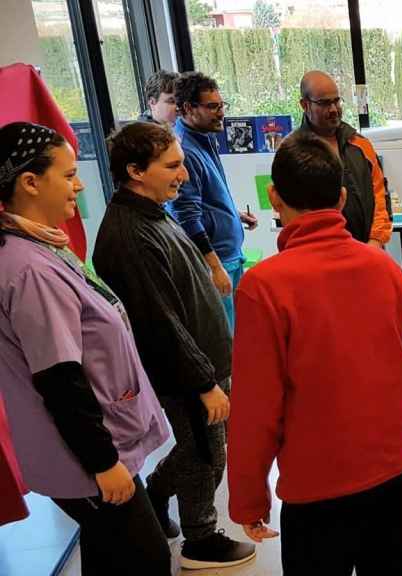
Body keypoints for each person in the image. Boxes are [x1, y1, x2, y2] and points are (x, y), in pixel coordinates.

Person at [227, 134, 402, 575]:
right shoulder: (386, 271)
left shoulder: (264, 287)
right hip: (392, 472)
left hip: (317, 486)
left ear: (275, 198)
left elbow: (257, 407)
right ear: (342, 198)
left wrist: (248, 495)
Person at [0, 122, 171, 575]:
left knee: (110, 553)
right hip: (84, 457)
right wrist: (104, 461)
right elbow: (58, 376)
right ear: (30, 182)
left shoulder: (39, 248)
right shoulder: (30, 271)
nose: (79, 184)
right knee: (145, 560)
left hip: (91, 447)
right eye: (69, 173)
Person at [93, 122, 256, 569]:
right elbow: (159, 322)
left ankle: (157, 499)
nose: (183, 174)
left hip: (201, 358)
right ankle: (200, 538)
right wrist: (204, 382)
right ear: (135, 171)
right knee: (205, 453)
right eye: (173, 166)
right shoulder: (129, 235)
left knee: (201, 447)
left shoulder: (152, 212)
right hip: (185, 370)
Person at [169, 71, 258, 333]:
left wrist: (233, 214)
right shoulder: (184, 150)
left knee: (240, 338)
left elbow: (203, 200)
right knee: (226, 342)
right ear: (187, 108)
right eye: (212, 107)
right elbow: (185, 215)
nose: (221, 113)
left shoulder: (204, 139)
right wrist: (215, 267)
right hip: (215, 263)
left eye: (222, 105)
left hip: (229, 257)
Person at [295, 70, 391, 248]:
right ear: (304, 105)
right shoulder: (294, 153)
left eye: (336, 101)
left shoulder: (360, 145)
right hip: (321, 255)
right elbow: (293, 215)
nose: (333, 109)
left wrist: (375, 240)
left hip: (369, 249)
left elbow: (380, 195)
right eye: (324, 103)